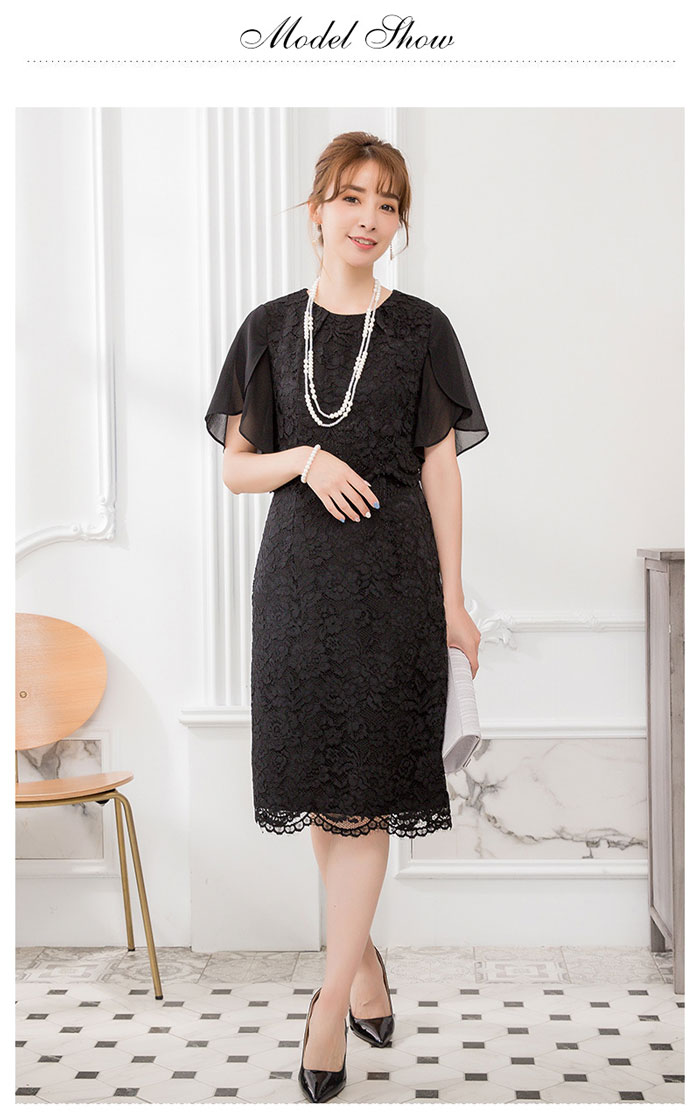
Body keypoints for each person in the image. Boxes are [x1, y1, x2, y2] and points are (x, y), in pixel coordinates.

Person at [205, 131, 489, 1103]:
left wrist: (453, 600)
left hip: (394, 588)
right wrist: (304, 458)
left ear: (398, 222)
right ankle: (360, 963)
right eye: (353, 197)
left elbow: (442, 470)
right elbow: (237, 467)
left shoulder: (422, 330)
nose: (370, 217)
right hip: (296, 590)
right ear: (317, 209)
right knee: (325, 786)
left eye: (388, 202)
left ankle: (326, 1008)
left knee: (365, 789)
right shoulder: (268, 328)